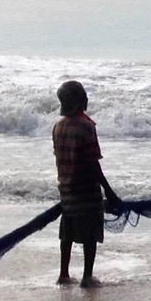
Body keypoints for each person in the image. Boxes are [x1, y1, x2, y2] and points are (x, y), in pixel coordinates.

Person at [51, 80, 120, 288]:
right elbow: (93, 164)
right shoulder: (86, 126)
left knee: (68, 233)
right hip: (85, 190)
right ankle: (87, 277)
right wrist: (109, 191)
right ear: (81, 100)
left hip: (65, 188)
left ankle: (64, 274)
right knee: (89, 235)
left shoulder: (58, 127)